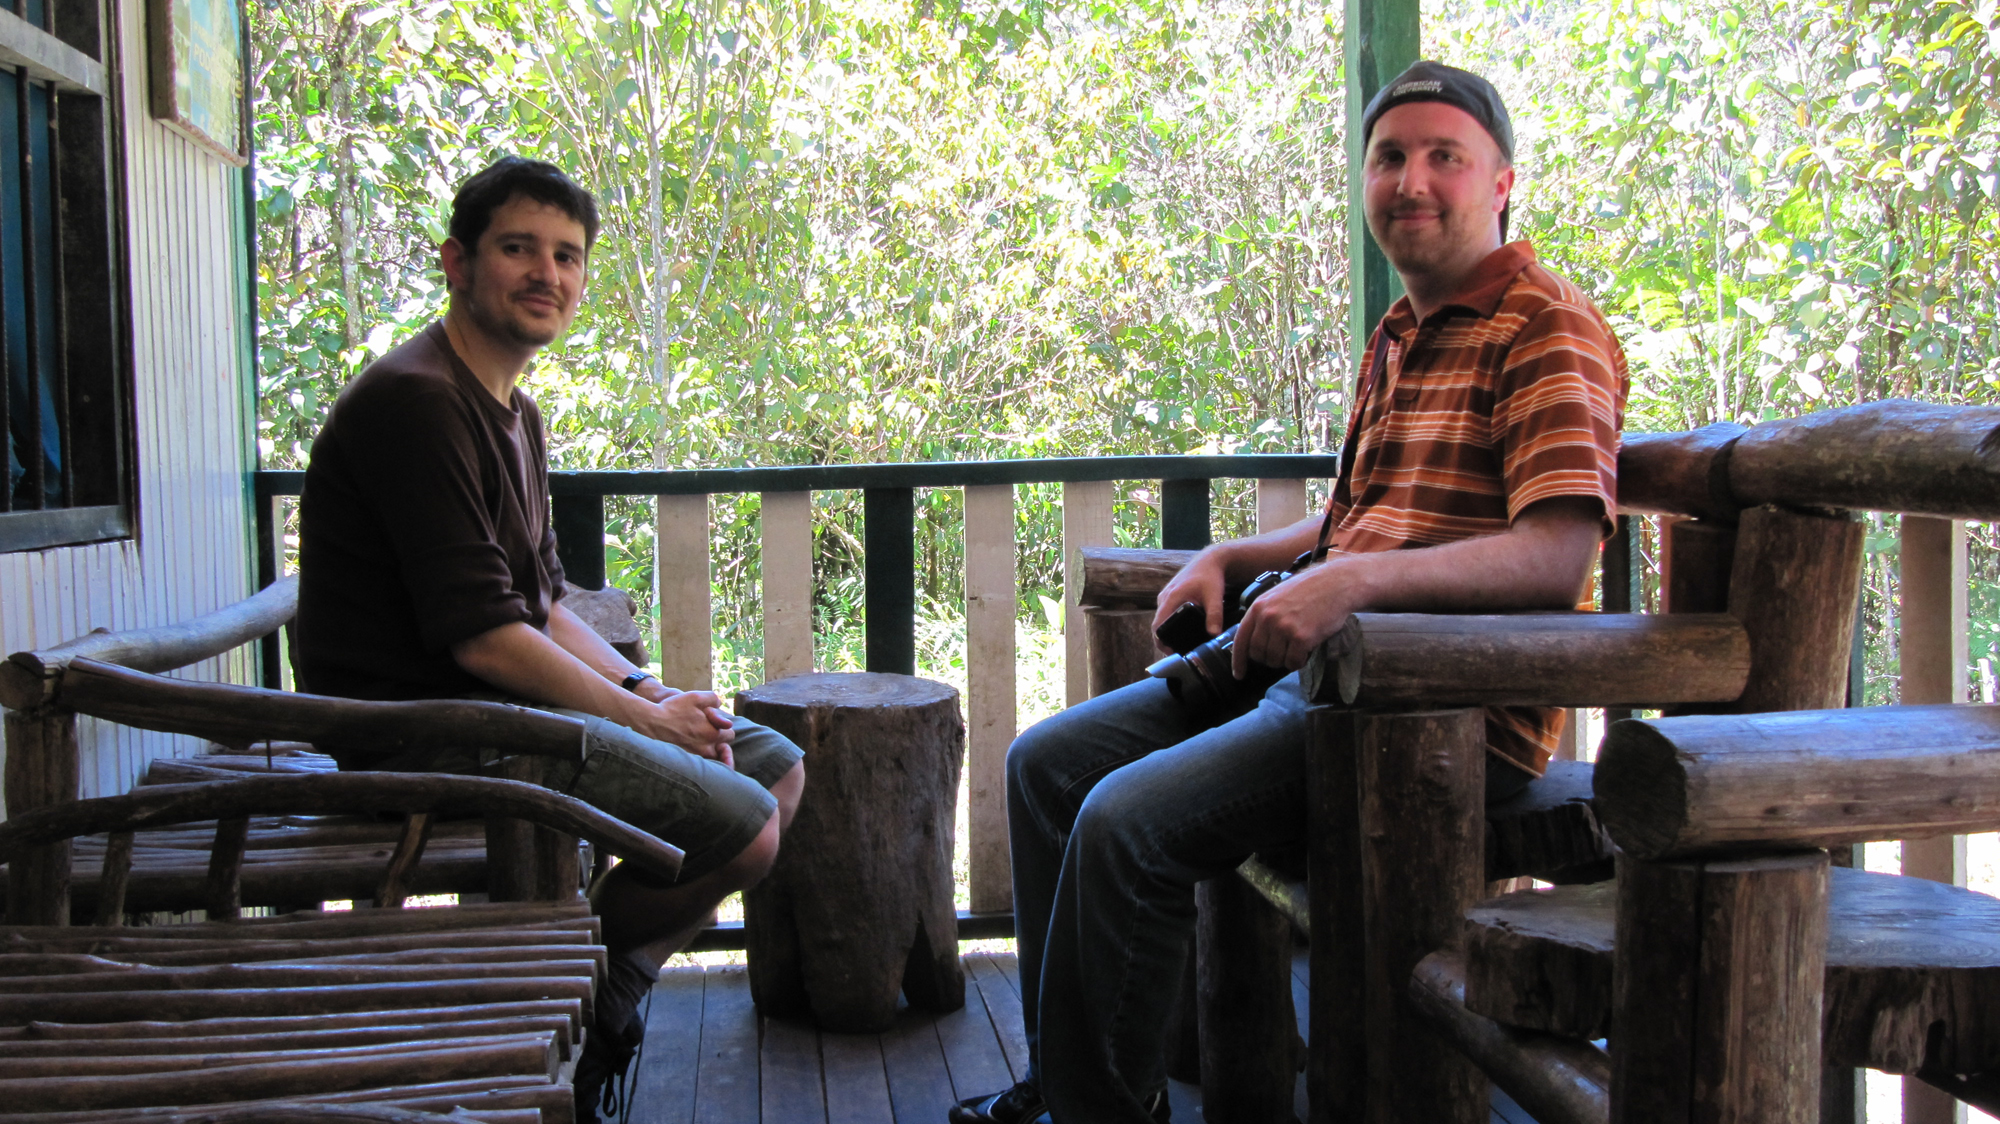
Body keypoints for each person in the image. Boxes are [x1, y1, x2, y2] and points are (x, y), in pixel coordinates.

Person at [950, 62, 1628, 1124]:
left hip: (1435, 711)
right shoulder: (1402, 331)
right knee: (1045, 766)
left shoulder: (1544, 327)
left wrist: (1350, 586)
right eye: (1388, 157)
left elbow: (1551, 553)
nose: (1410, 179)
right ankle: (1071, 1083)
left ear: (1500, 182)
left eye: (1442, 155)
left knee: (1125, 823)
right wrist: (1236, 553)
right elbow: (1362, 517)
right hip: (1315, 678)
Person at [294, 157, 805, 1124]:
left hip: (499, 709)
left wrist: (649, 694)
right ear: (458, 262)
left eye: (566, 256)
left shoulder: (511, 412)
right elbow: (485, 636)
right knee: (743, 824)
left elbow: (543, 601)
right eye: (519, 248)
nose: (547, 274)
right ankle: (597, 999)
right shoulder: (417, 402)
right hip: (422, 730)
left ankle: (605, 986)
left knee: (774, 768)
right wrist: (644, 726)